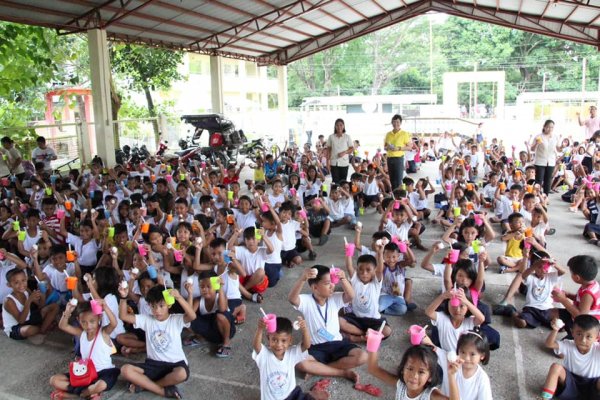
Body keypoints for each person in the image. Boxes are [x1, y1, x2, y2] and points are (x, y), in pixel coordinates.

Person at [288, 265, 366, 383]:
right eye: (327, 283)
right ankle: (342, 372)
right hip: (316, 347)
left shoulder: (335, 298)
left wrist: (343, 279)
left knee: (363, 356)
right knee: (299, 362)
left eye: (332, 282)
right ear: (315, 287)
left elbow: (351, 295)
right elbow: (292, 299)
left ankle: (319, 369)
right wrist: (302, 279)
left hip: (338, 344)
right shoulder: (307, 301)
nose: (332, 286)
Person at [118, 285, 196, 398]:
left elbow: (192, 316)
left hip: (175, 364)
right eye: (153, 306)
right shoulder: (147, 320)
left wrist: (179, 297)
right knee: (125, 370)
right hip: (153, 365)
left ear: (169, 304)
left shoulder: (176, 319)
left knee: (182, 374)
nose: (157, 310)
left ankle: (145, 386)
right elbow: (123, 316)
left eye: (161, 306)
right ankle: (163, 391)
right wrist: (123, 297)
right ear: (149, 305)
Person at [49, 300, 120, 399]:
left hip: (104, 372)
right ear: (78, 320)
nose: (88, 326)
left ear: (99, 318)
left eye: (92, 321)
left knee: (101, 385)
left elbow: (114, 323)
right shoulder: (81, 333)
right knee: (54, 380)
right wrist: (67, 312)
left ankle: (75, 395)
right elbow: (63, 326)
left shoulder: (103, 332)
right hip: (85, 373)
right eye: (84, 322)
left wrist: (105, 307)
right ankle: (89, 393)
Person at [253, 316, 326, 400]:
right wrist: (260, 329)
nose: (278, 345)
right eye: (274, 340)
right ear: (268, 338)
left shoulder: (291, 354)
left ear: (290, 340)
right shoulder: (264, 356)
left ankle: (313, 395)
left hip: (291, 395)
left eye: (283, 340)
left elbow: (306, 345)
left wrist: (305, 329)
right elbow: (256, 346)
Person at [367, 344, 459, 400]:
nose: (414, 375)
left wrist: (451, 375)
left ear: (430, 376)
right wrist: (373, 343)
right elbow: (373, 369)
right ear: (403, 369)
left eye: (421, 372)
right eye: (410, 369)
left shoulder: (430, 395)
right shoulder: (401, 385)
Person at [540, 314, 600, 399]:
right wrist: (555, 330)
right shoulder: (568, 344)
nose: (583, 340)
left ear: (596, 337)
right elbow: (549, 344)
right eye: (579, 334)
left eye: (589, 336)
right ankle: (545, 398)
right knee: (555, 367)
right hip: (571, 383)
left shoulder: (597, 348)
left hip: (593, 385)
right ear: (572, 332)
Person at [384, 115, 413, 191]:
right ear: (391, 123)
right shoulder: (388, 134)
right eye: (394, 122)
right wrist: (388, 148)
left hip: (398, 159)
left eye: (397, 122)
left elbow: (410, 147)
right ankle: (394, 197)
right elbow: (385, 147)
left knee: (398, 181)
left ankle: (399, 198)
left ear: (400, 123)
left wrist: (399, 148)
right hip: (390, 159)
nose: (395, 124)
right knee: (392, 181)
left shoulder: (404, 133)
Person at [530, 120, 558, 195]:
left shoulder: (555, 137)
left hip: (551, 161)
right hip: (540, 161)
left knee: (548, 180)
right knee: (539, 180)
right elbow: (532, 149)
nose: (550, 129)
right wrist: (536, 143)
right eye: (548, 127)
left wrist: (562, 147)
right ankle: (536, 196)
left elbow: (557, 148)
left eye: (552, 127)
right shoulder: (539, 136)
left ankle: (545, 197)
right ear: (544, 127)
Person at [325, 118, 353, 184]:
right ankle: (335, 194)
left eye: (341, 125)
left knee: (343, 182)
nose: (339, 127)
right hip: (334, 163)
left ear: (343, 126)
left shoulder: (347, 137)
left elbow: (351, 149)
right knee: (335, 182)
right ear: (335, 126)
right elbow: (328, 150)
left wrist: (344, 152)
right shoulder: (331, 137)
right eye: (337, 125)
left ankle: (342, 194)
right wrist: (327, 162)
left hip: (344, 163)